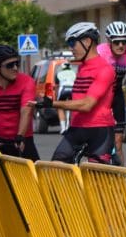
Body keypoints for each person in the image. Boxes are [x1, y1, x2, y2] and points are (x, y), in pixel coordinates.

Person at [49, 22, 117, 164]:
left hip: (100, 130)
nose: (71, 48)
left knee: (96, 178)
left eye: (73, 43)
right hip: (77, 127)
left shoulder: (105, 69)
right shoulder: (82, 68)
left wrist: (52, 103)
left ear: (87, 41)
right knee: (54, 168)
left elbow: (87, 104)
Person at [0, 44, 38, 159]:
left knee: (34, 176)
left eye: (17, 64)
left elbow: (26, 111)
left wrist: (20, 136)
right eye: (10, 65)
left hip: (22, 139)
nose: (15, 68)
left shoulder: (27, 82)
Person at [98, 21, 126, 167]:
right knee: (98, 141)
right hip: (99, 95)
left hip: (116, 95)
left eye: (124, 42)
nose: (121, 46)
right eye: (116, 42)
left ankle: (119, 180)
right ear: (109, 42)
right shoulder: (100, 53)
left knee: (118, 143)